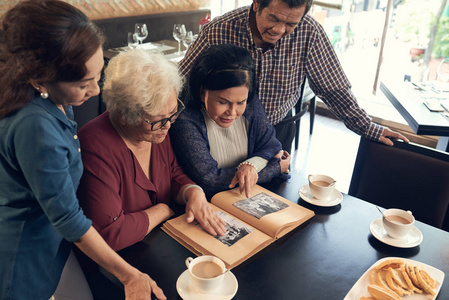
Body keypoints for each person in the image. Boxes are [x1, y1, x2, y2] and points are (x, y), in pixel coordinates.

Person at [0, 1, 165, 299]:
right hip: (24, 256)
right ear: (40, 78)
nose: (96, 91)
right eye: (84, 83)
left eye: (97, 76)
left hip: (52, 245)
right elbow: (67, 218)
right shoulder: (35, 126)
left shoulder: (52, 99)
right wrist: (130, 275)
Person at [76, 49, 227, 296]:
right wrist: (163, 210)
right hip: (119, 270)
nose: (168, 125)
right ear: (124, 115)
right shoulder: (94, 146)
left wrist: (193, 192)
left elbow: (173, 172)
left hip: (158, 248)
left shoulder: (154, 129)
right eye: (159, 120)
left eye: (172, 113)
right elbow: (109, 234)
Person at [179, 0, 409, 153]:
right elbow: (181, 81)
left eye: (290, 23)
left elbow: (333, 88)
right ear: (257, 3)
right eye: (273, 18)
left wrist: (368, 128)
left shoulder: (309, 31)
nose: (279, 30)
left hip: (276, 130)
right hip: (219, 131)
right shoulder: (219, 29)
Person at [170, 44, 291, 199]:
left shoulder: (251, 103)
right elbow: (209, 179)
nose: (232, 113)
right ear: (202, 92)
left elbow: (272, 147)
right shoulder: (186, 118)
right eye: (222, 102)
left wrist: (250, 166)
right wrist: (274, 169)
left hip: (251, 196)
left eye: (240, 102)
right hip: (210, 204)